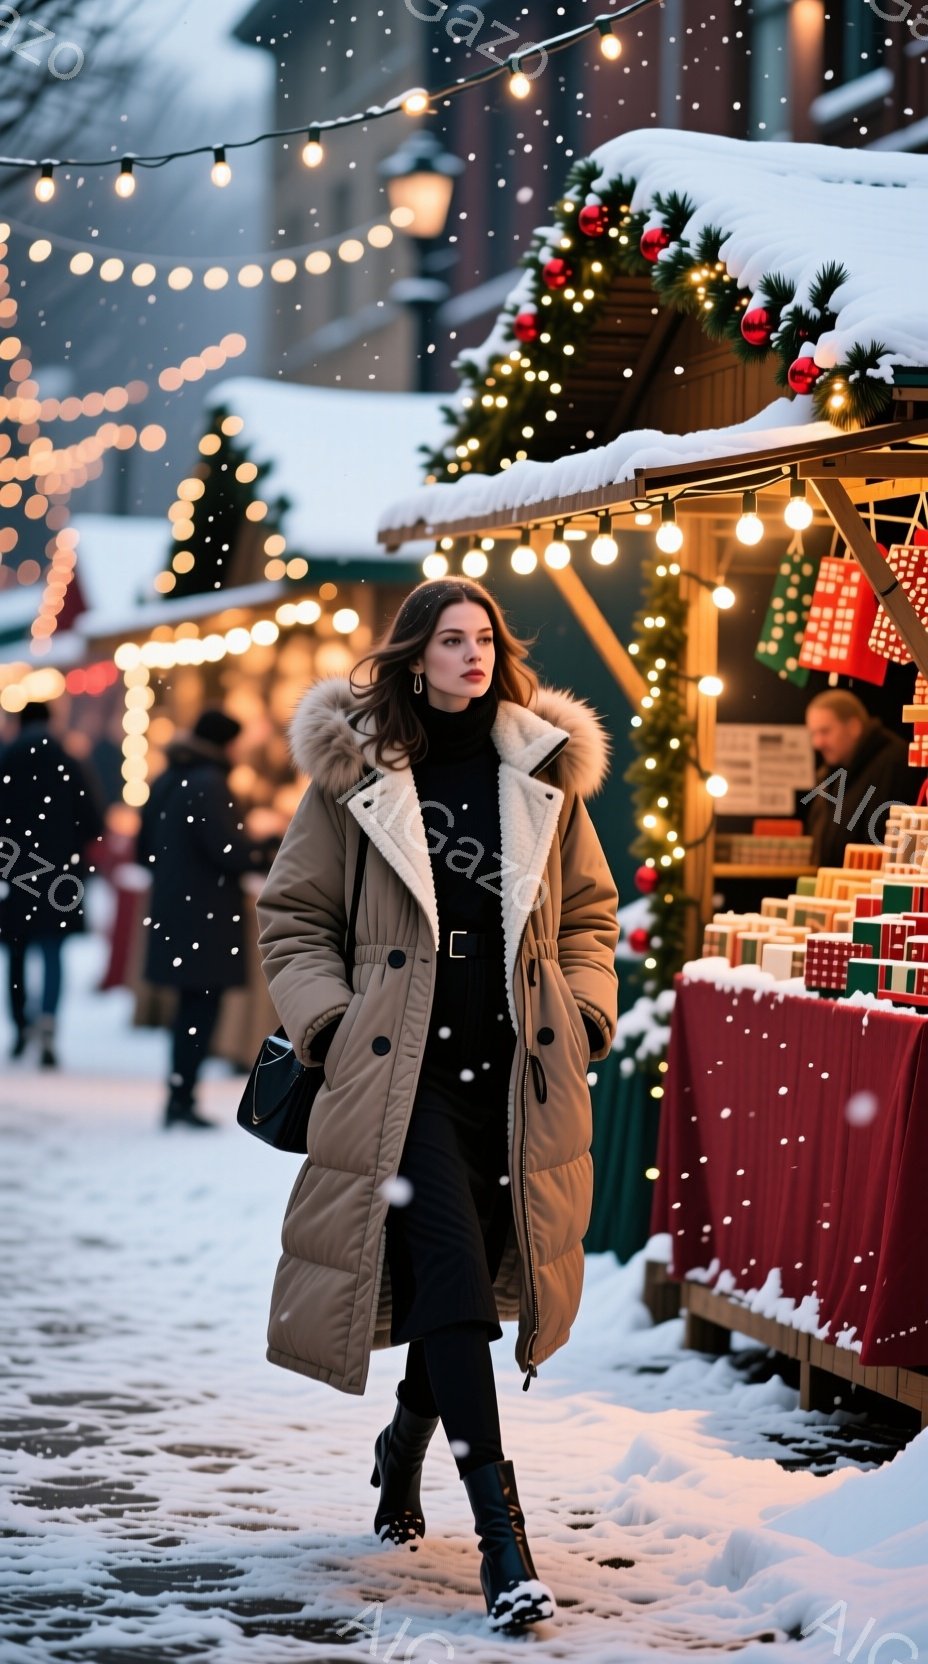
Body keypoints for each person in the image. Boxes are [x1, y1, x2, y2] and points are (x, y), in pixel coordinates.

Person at [255, 578, 619, 1633]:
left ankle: (405, 1439)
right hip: (399, 1076)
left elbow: (589, 914)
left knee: (454, 1286)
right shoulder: (359, 772)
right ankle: (504, 1539)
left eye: (486, 638)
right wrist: (331, 1026)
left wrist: (584, 1014)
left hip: (510, 1079)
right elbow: (293, 919)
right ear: (414, 655)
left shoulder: (540, 767)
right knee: (455, 1275)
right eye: (452, 639)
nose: (474, 654)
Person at [136, 708, 278, 1130]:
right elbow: (228, 851)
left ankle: (179, 1093)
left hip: (174, 910)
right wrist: (269, 847)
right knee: (200, 1009)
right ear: (225, 743)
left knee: (188, 1009)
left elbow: (144, 850)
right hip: (205, 915)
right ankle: (182, 1098)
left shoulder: (167, 778)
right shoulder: (209, 784)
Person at [0, 700, 105, 1067]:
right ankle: (47, 1023)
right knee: (52, 951)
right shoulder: (68, 762)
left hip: (14, 874)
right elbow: (94, 820)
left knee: (16, 952)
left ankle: (19, 1025)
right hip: (58, 876)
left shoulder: (6, 760)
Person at [804, 689, 915, 867]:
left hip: (872, 891)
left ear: (854, 727)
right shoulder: (831, 773)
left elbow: (892, 845)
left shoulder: (895, 764)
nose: (817, 743)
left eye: (825, 731)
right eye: (813, 734)